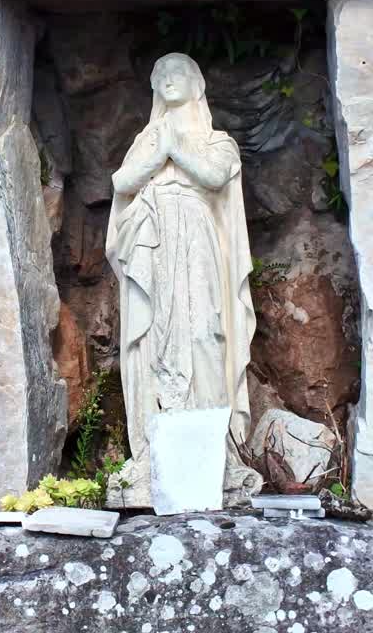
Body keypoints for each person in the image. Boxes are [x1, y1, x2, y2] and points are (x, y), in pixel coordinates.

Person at [105, 52, 260, 506]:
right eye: (161, 75)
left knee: (204, 333)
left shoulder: (217, 141)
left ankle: (213, 455)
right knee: (153, 338)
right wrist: (159, 150)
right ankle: (155, 454)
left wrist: (174, 148)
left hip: (196, 238)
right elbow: (121, 183)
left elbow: (214, 177)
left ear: (197, 84)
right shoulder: (146, 138)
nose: (168, 80)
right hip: (151, 237)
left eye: (178, 73)